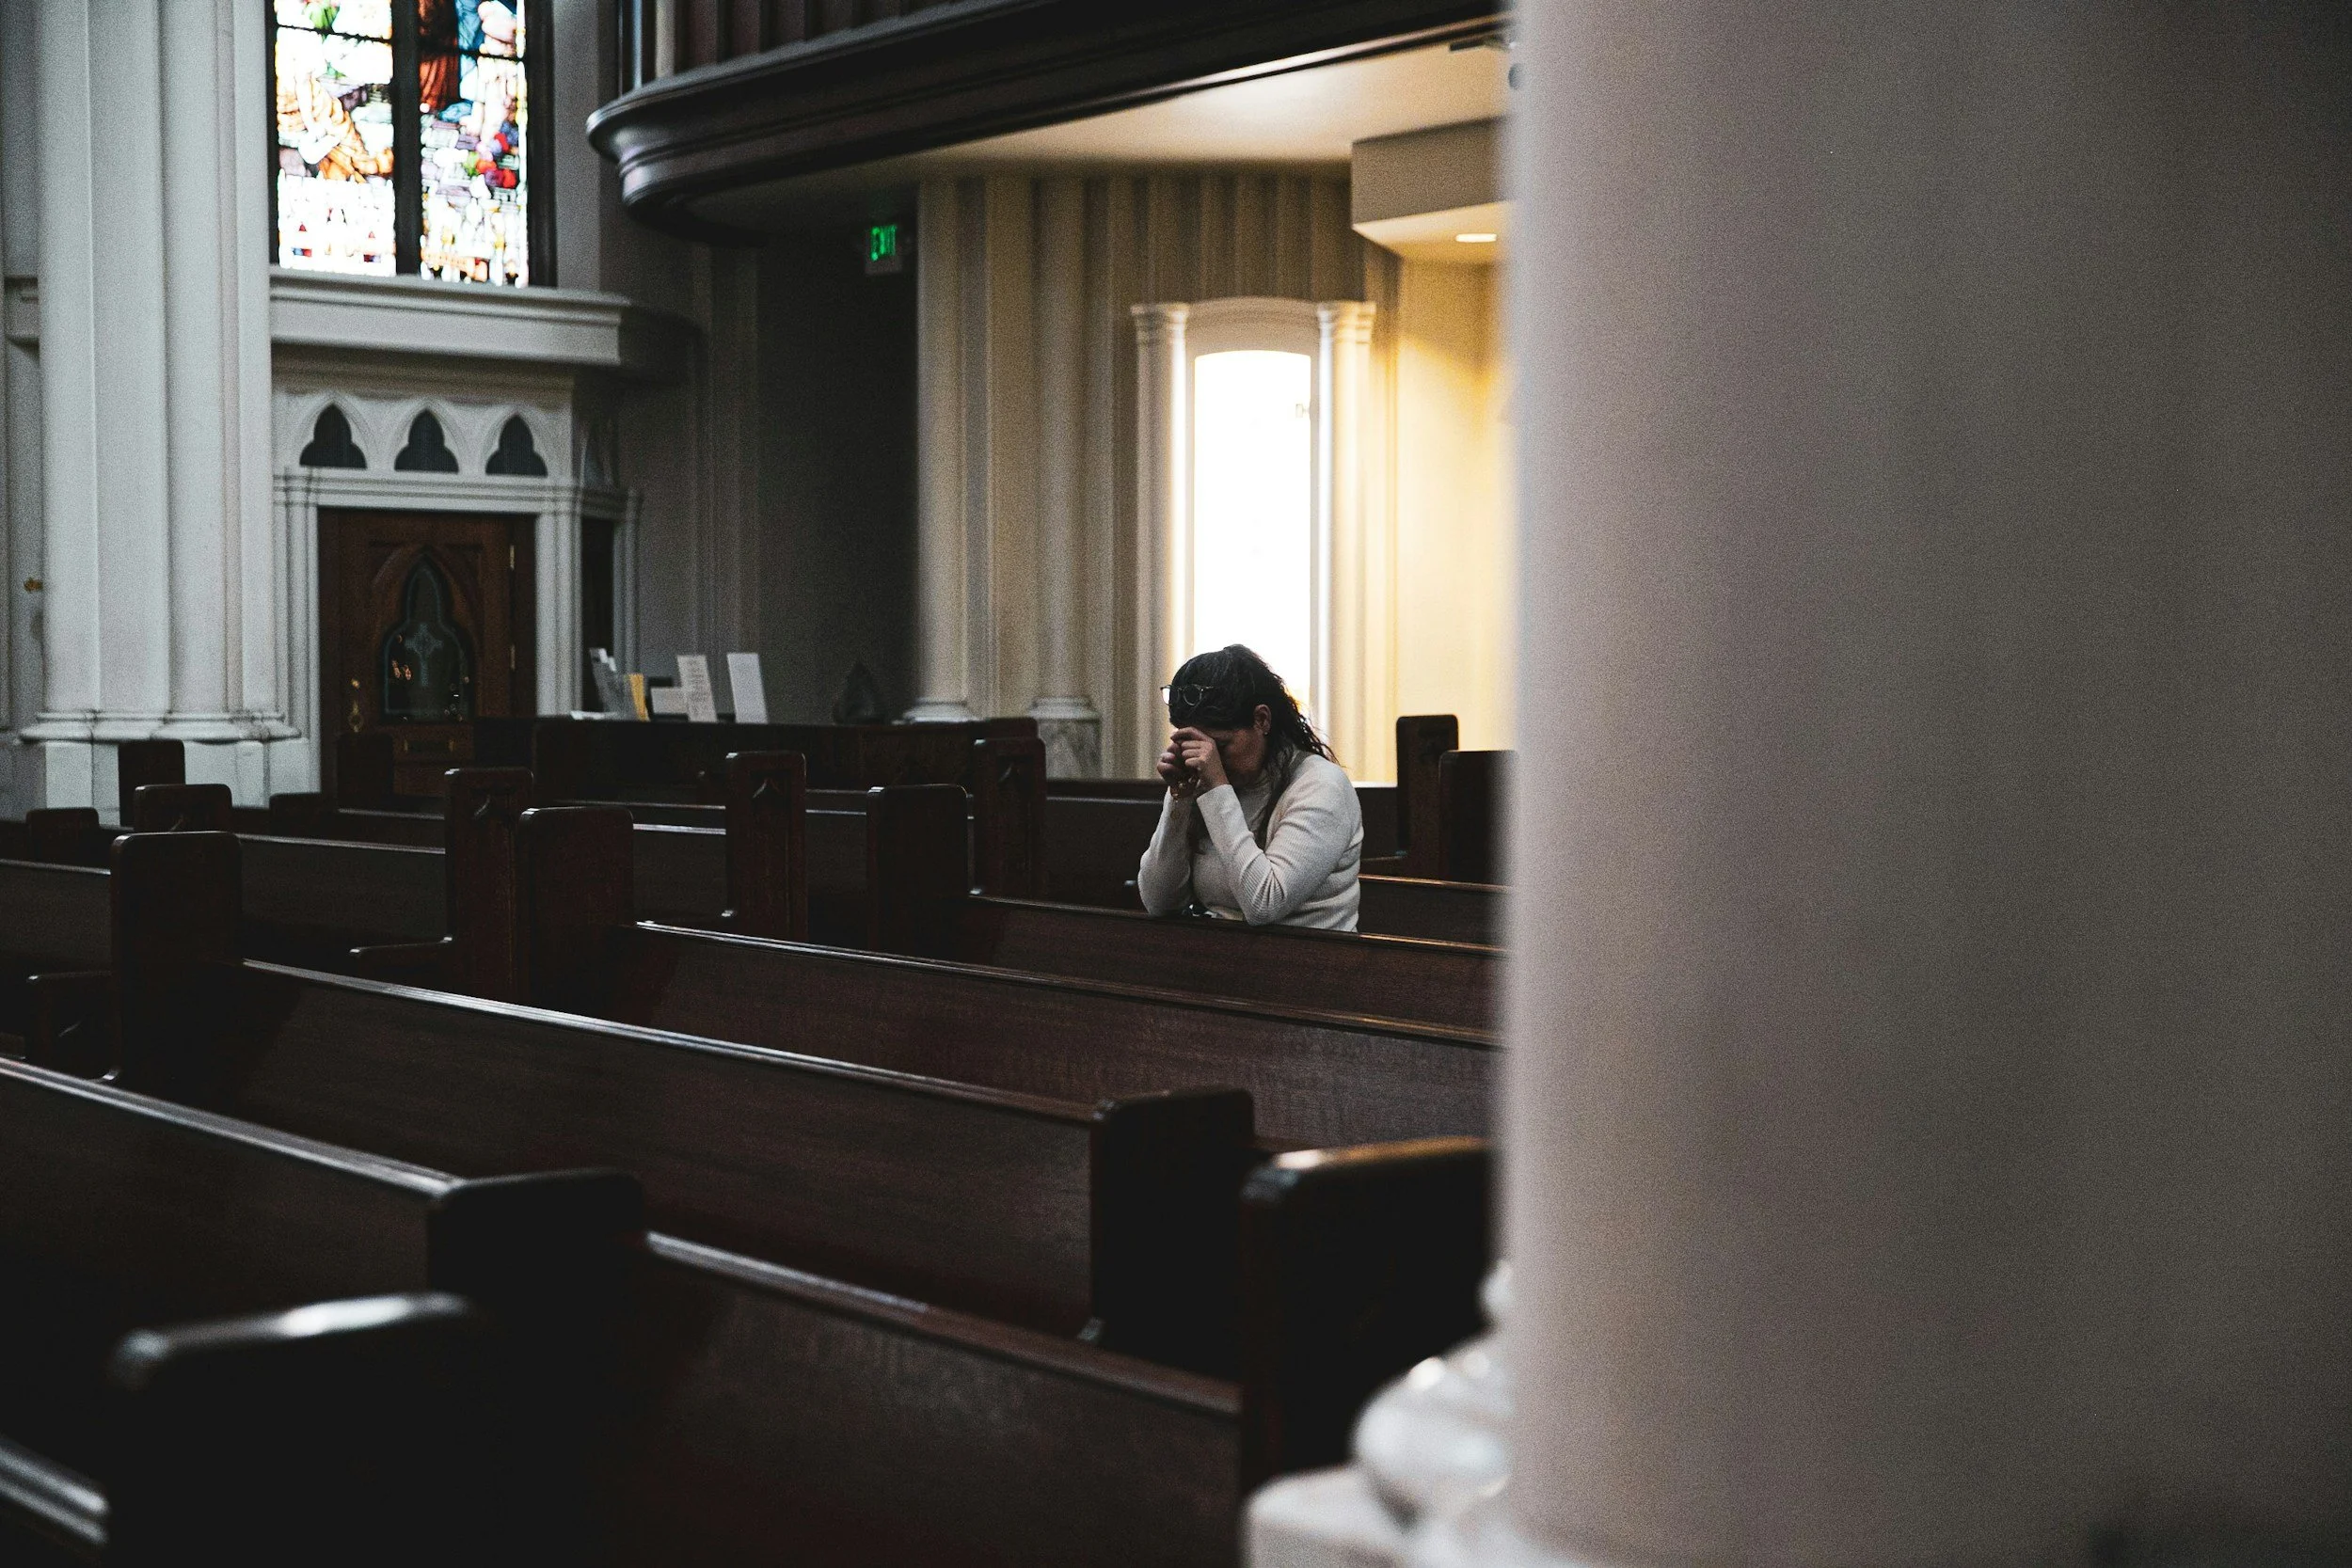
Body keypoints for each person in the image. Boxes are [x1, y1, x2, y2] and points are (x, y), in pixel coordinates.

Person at [1137, 645, 1363, 929]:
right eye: (1193, 747)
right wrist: (1180, 797)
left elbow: (1265, 904)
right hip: (1228, 962)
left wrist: (1217, 788)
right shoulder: (1208, 783)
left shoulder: (1321, 786)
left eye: (1219, 746)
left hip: (1311, 965)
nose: (1207, 760)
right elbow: (1159, 902)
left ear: (1261, 720)